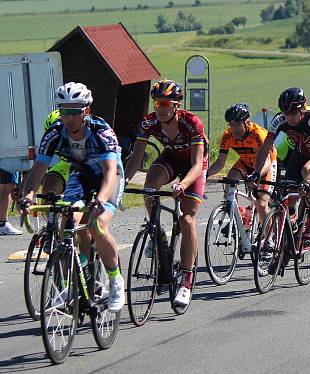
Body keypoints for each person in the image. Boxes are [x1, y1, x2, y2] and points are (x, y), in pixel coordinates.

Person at [18, 82, 125, 312]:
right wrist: (28, 196)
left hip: (108, 177)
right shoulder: (55, 132)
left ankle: (116, 280)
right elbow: (39, 169)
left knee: (97, 225)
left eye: (74, 111)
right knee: (69, 225)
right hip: (81, 175)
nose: (68, 117)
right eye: (64, 110)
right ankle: (78, 276)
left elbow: (109, 172)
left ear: (85, 111)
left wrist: (100, 200)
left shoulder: (101, 131)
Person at [125, 80, 208, 307]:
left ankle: (186, 281)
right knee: (150, 185)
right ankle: (156, 230)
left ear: (176, 106)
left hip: (193, 165)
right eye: (156, 103)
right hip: (171, 158)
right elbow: (136, 159)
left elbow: (197, 164)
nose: (159, 108)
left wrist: (183, 185)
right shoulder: (149, 122)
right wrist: (124, 179)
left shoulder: (192, 123)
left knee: (186, 219)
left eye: (164, 103)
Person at [252, 87, 310, 242]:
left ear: (302, 108)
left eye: (293, 113)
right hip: (301, 151)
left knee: (308, 171)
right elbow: (265, 148)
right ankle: (291, 232)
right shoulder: (279, 120)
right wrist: (257, 171)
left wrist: (307, 180)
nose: (289, 117)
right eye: (285, 113)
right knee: (288, 192)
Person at [207, 103, 272, 222]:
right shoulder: (227, 136)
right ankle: (234, 219)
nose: (233, 129)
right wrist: (204, 175)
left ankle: (269, 239)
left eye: (237, 124)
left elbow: (267, 162)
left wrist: (256, 174)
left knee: (261, 205)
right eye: (231, 124)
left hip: (266, 165)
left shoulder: (258, 134)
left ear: (247, 122)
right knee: (230, 178)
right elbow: (220, 163)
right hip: (246, 162)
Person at [0, 168, 21, 235]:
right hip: (7, 159)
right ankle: (2, 224)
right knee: (7, 186)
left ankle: (2, 223)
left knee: (3, 186)